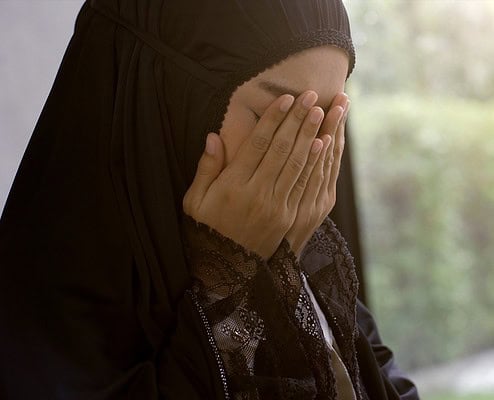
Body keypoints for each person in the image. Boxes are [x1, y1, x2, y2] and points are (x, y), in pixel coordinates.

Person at [0, 0, 419, 399]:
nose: (305, 155)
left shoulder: (311, 267)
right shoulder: (30, 325)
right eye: (275, 119)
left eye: (327, 122)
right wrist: (232, 288)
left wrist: (273, 271)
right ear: (164, 103)